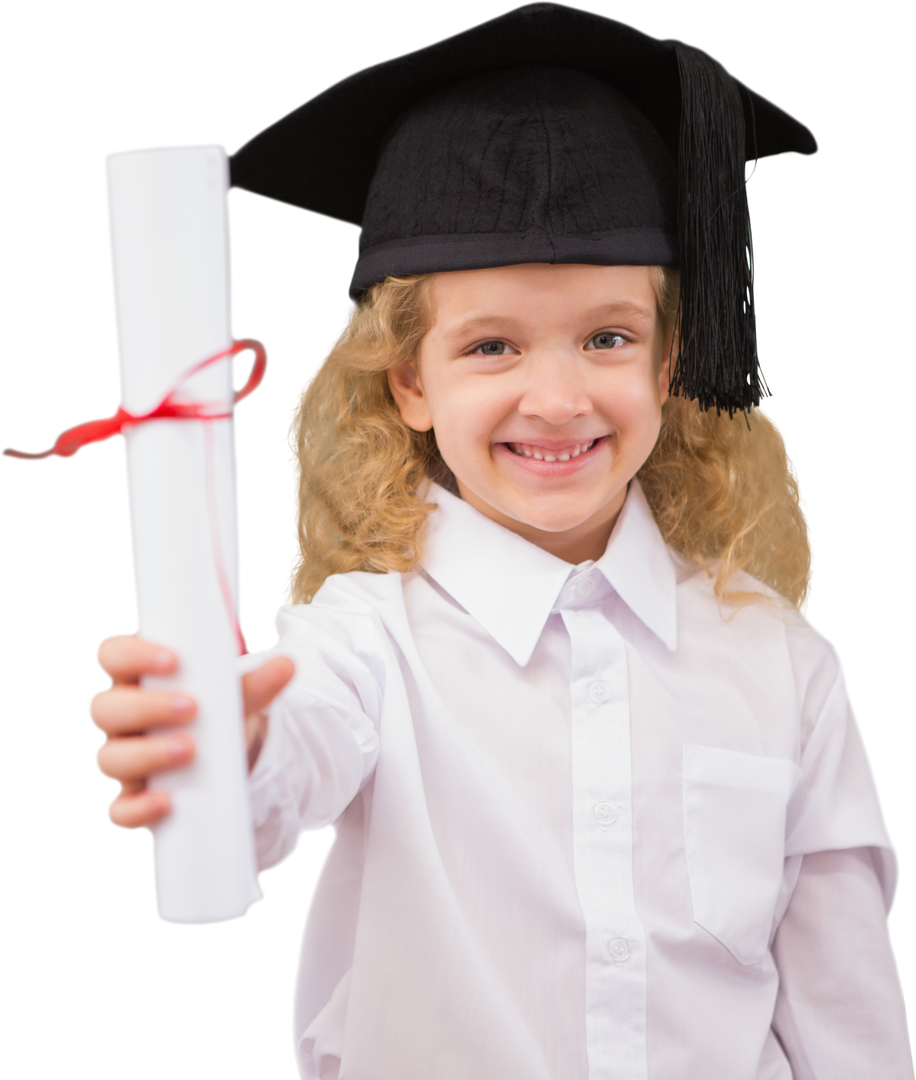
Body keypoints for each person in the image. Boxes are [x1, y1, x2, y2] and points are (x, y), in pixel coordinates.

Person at [86, 4, 912, 1077]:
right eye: (490, 346)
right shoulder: (368, 645)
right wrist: (218, 747)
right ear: (410, 383)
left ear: (670, 364)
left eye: (608, 336)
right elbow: (286, 752)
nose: (557, 397)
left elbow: (846, 1020)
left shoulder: (783, 671)